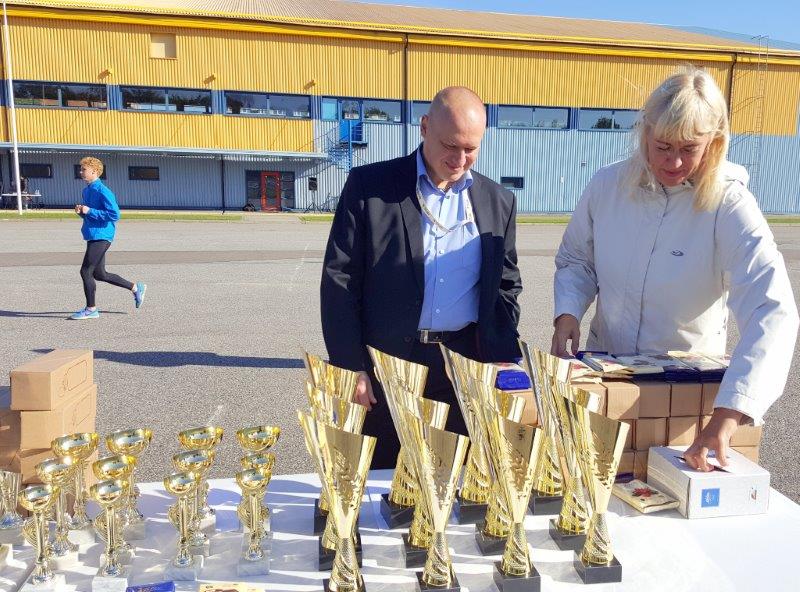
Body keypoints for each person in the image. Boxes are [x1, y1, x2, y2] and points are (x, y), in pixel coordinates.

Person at [552, 67, 798, 472]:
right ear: (645, 132)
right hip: (606, 376)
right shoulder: (607, 185)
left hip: (684, 395)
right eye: (663, 146)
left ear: (714, 142)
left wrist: (729, 413)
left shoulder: (729, 204)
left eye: (690, 148)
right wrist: (567, 313)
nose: (674, 161)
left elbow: (771, 309)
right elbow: (578, 260)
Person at [320, 86, 523, 468]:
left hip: (462, 368)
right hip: (387, 367)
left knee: (454, 478)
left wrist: (502, 354)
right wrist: (350, 365)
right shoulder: (371, 188)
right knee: (382, 477)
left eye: (471, 148)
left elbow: (506, 285)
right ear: (425, 127)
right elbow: (340, 281)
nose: (460, 159)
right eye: (450, 145)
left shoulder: (497, 201)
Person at [71, 156, 146, 319]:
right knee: (100, 274)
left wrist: (89, 211)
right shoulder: (87, 190)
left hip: (102, 235)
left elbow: (114, 214)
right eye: (80, 169)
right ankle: (135, 288)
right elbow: (92, 215)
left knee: (85, 271)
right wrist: (82, 213)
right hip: (92, 234)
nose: (80, 172)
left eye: (84, 169)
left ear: (94, 171)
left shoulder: (103, 191)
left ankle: (91, 309)